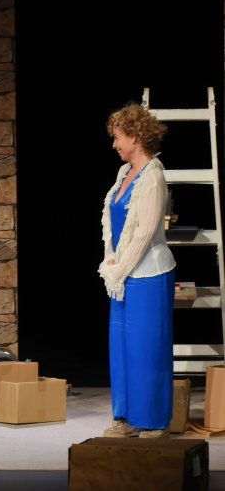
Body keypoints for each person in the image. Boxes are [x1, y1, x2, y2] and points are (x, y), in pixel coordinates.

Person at [98, 102, 175, 439]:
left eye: (118, 137)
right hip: (123, 277)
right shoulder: (123, 173)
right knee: (123, 348)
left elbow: (144, 234)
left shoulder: (153, 176)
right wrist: (111, 261)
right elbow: (114, 224)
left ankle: (154, 421)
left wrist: (119, 271)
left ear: (135, 136)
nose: (114, 144)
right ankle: (126, 418)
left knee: (147, 349)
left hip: (148, 276)